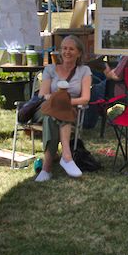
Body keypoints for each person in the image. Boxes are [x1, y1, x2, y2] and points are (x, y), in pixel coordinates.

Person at [34, 35, 92, 182]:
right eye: (64, 48)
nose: (67, 51)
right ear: (60, 51)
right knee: (54, 112)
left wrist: (65, 102)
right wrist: (58, 100)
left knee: (52, 118)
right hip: (45, 108)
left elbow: (85, 98)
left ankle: (47, 169)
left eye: (71, 49)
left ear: (78, 53)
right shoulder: (50, 69)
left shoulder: (84, 71)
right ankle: (66, 156)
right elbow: (43, 94)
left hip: (68, 110)